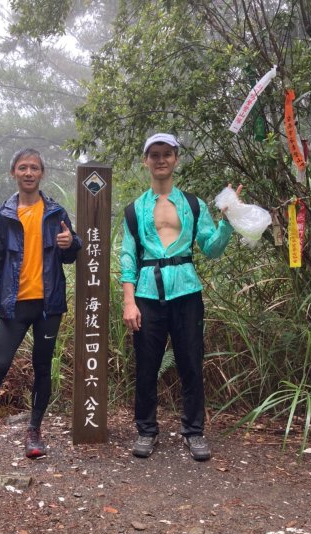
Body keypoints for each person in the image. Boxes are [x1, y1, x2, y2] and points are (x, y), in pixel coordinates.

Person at [0, 148, 82, 470]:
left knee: (42, 367)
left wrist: (71, 243)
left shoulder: (55, 212)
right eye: (23, 167)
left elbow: (69, 252)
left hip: (49, 306)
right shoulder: (2, 216)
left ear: (42, 173)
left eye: (34, 167)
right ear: (14, 173)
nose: (29, 173)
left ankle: (34, 432)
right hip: (13, 304)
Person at [121, 133, 239, 461]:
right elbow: (128, 258)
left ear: (175, 159)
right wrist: (129, 301)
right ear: (146, 161)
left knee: (190, 362)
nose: (161, 159)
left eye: (167, 154)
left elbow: (211, 249)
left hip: (187, 292)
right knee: (146, 365)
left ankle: (194, 431)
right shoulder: (134, 211)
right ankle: (146, 430)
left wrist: (228, 221)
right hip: (146, 294)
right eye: (154, 154)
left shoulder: (192, 204)